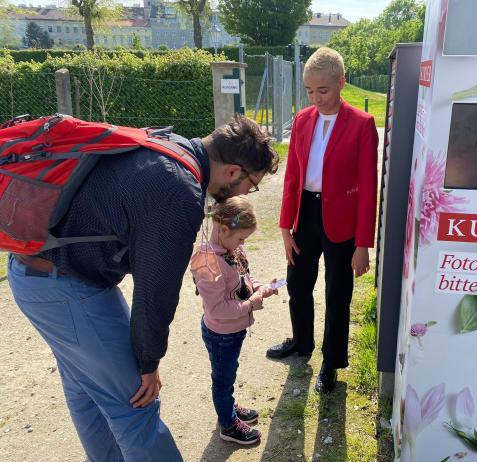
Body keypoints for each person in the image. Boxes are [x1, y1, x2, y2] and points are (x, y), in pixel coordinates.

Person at [7, 115, 279, 461]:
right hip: (64, 287)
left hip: (35, 272)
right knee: (136, 402)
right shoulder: (180, 192)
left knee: (88, 392)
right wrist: (147, 363)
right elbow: (155, 293)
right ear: (232, 171)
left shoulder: (171, 146)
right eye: (250, 185)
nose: (245, 194)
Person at [267, 47, 378, 393]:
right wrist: (286, 228)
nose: (316, 98)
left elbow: (368, 188)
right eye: (310, 91)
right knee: (298, 284)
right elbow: (292, 177)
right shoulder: (302, 121)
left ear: (341, 83)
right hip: (306, 214)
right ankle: (302, 343)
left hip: (342, 221)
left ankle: (332, 360)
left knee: (337, 292)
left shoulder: (361, 125)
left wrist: (363, 245)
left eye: (323, 90)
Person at [191, 196, 278, 445]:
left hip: (233, 330)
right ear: (224, 229)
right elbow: (217, 308)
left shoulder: (231, 248)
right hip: (222, 334)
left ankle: (227, 406)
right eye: (241, 238)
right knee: (222, 378)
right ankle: (228, 424)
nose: (242, 244)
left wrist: (262, 287)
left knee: (228, 373)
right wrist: (250, 304)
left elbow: (242, 282)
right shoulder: (207, 261)